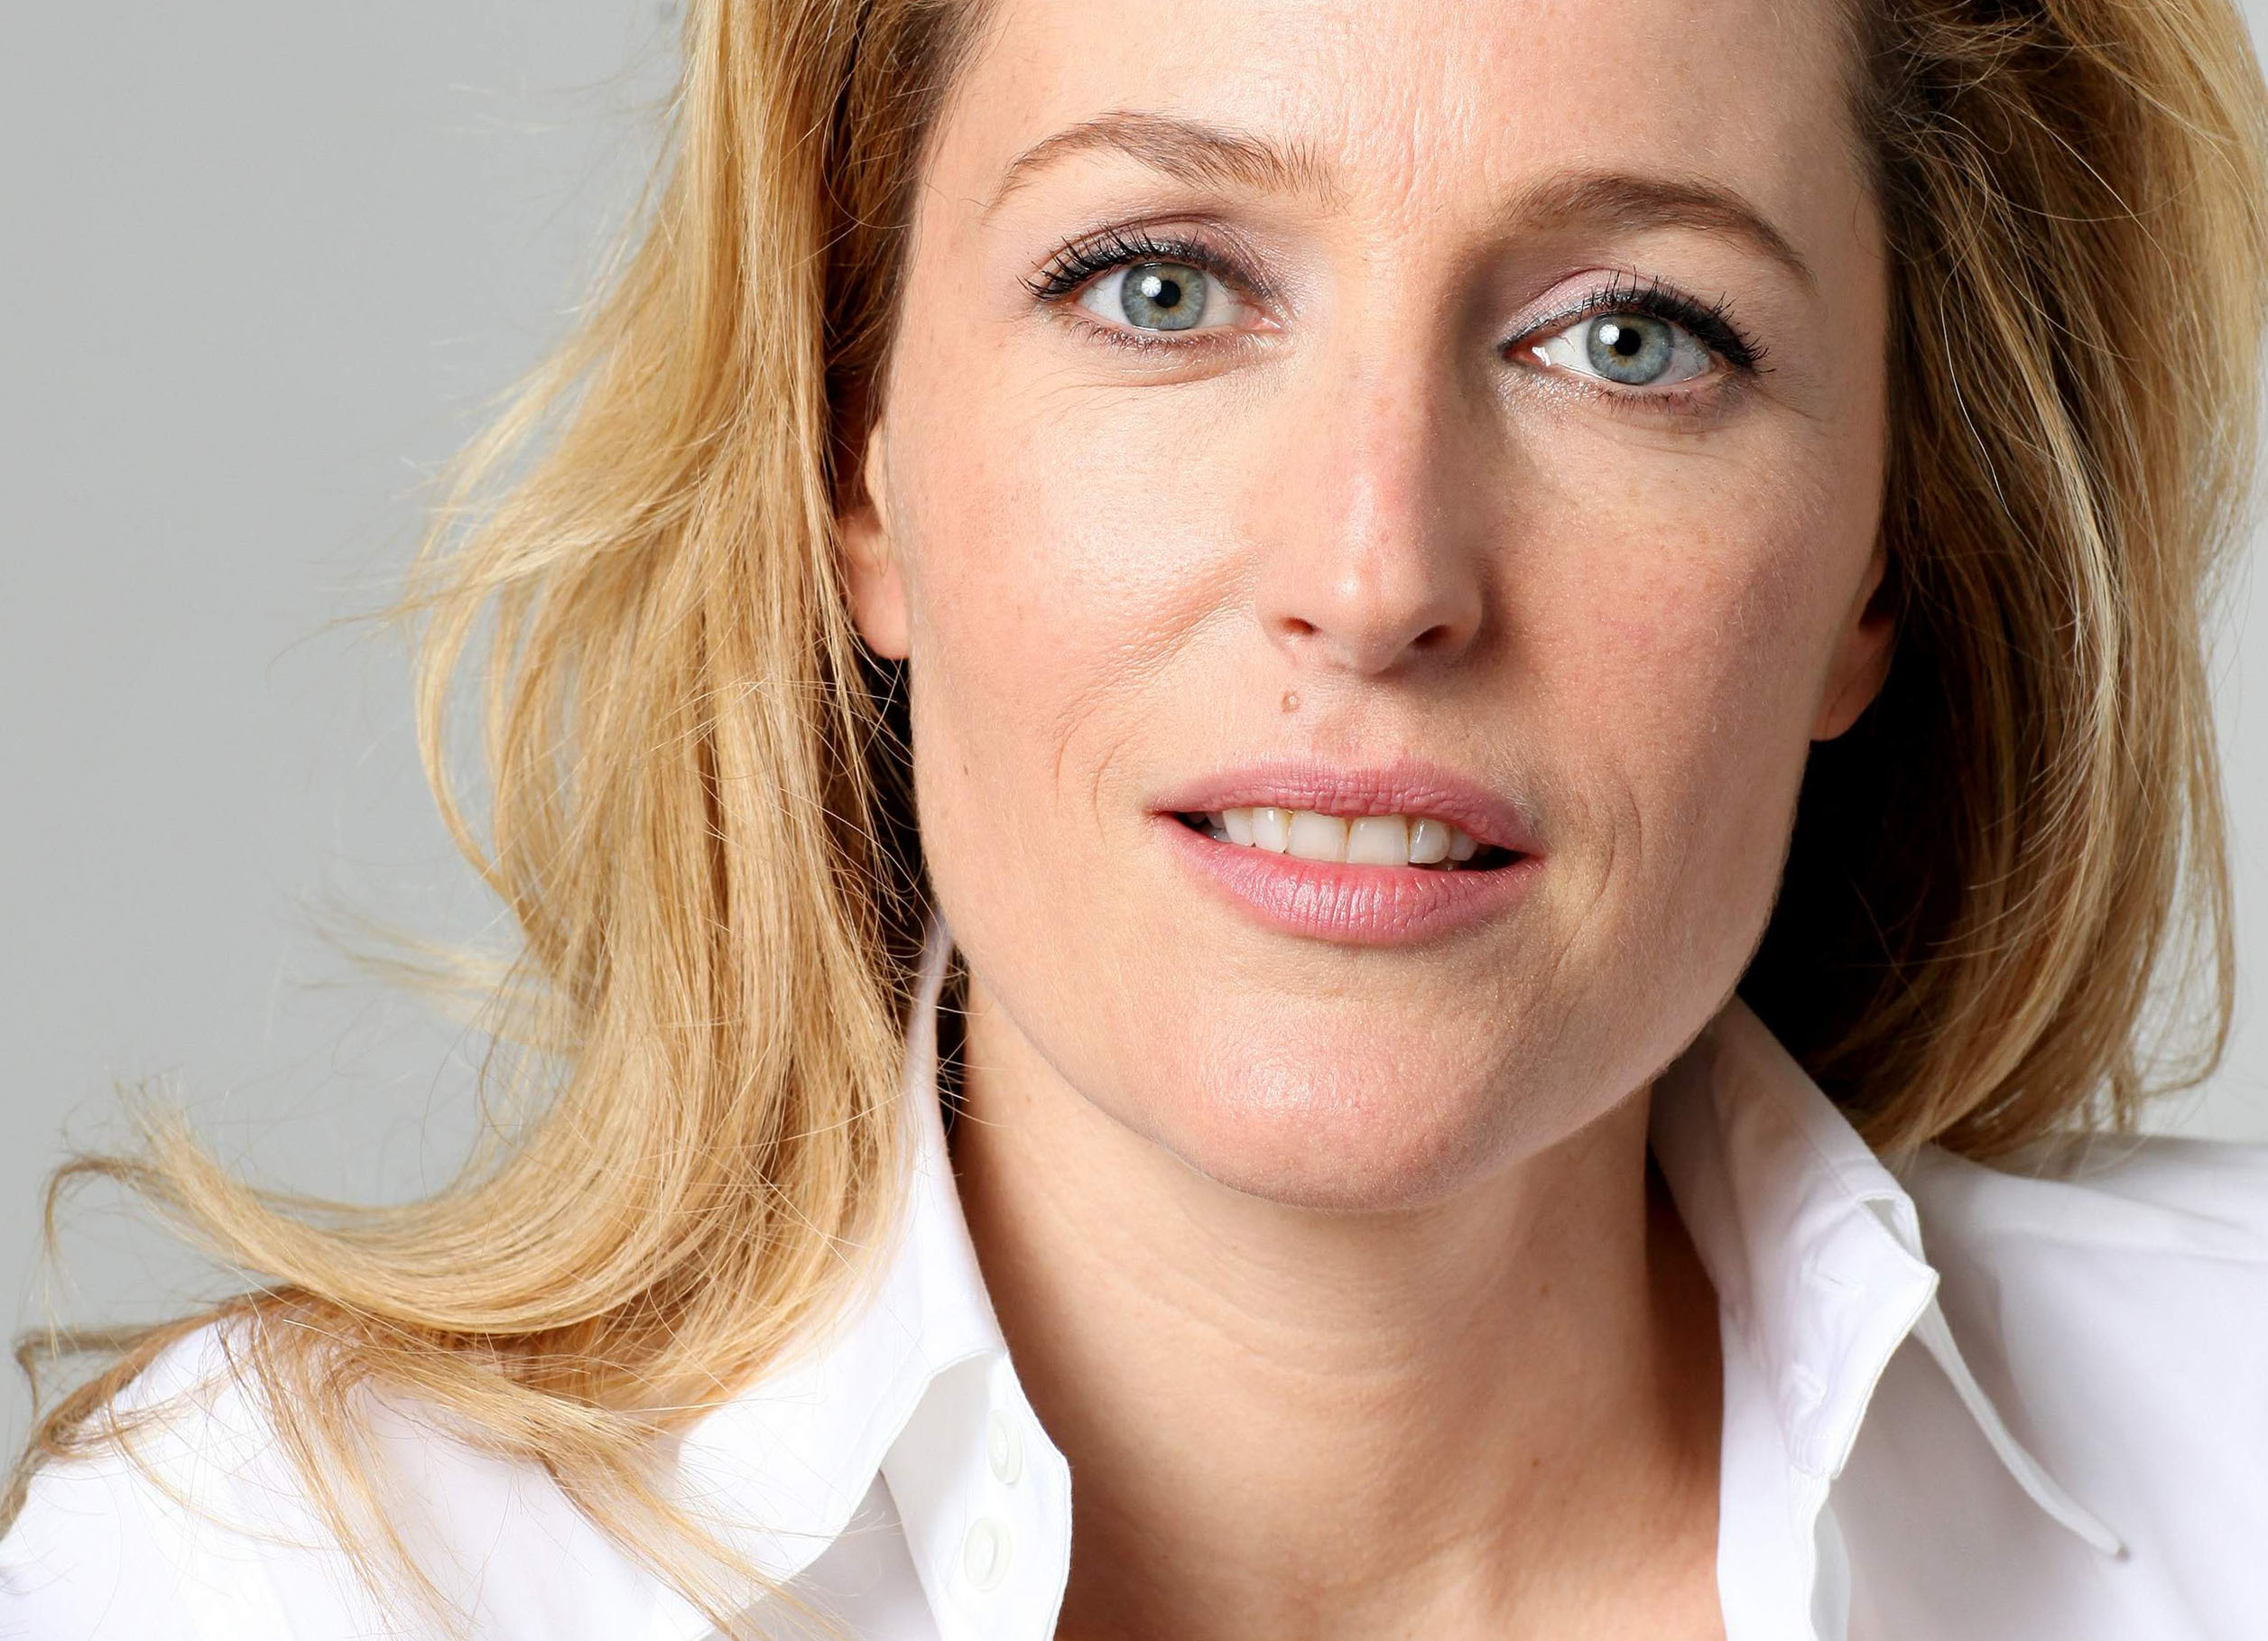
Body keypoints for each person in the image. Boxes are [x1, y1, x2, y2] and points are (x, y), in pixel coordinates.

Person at [6, 0, 2268, 1635]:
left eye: (1633, 340)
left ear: (1884, 555)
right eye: (1160, 287)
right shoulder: (294, 1579)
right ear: (858, 464)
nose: (1377, 575)